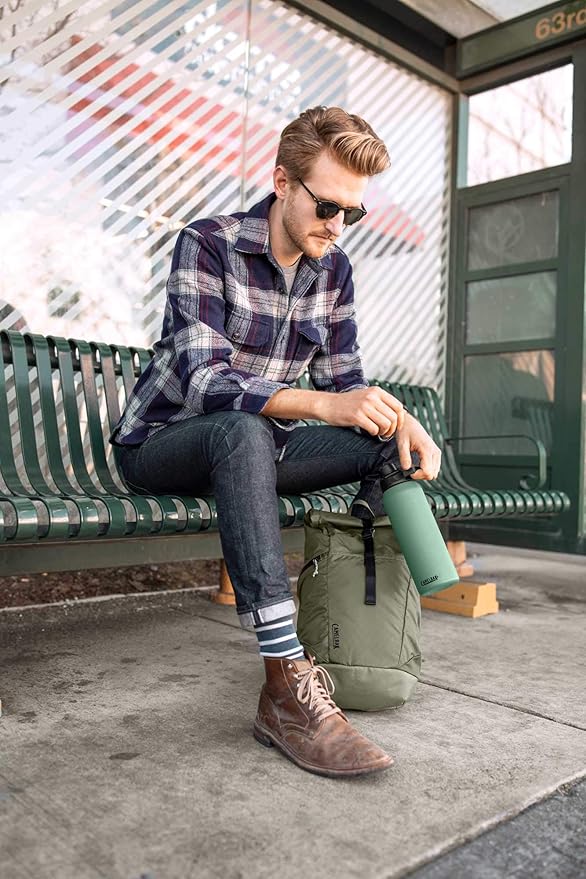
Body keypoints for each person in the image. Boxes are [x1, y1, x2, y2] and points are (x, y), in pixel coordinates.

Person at [111, 106, 442, 779]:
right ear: (283, 182)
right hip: (164, 444)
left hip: (260, 448)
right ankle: (286, 684)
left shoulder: (334, 269)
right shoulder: (207, 244)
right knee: (241, 427)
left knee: (388, 449)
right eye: (327, 206)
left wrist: (397, 418)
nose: (338, 225)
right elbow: (206, 381)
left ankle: (351, 634)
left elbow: (345, 381)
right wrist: (324, 403)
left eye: (353, 212)